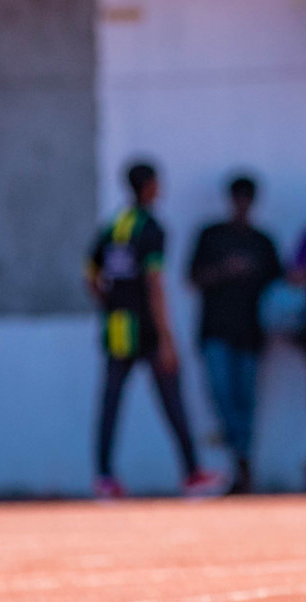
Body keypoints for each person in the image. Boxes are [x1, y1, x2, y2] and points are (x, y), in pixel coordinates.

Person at [87, 163, 218, 499]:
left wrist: (112, 303)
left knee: (111, 404)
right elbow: (154, 284)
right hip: (146, 326)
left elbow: (91, 275)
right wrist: (167, 338)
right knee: (172, 399)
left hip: (118, 327)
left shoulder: (113, 226)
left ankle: (104, 478)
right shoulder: (152, 228)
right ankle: (191, 473)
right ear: (148, 187)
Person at [187, 175, 282, 495]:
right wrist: (225, 270)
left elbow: (279, 292)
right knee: (223, 400)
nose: (241, 205)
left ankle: (241, 466)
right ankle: (239, 462)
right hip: (215, 333)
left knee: (245, 404)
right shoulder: (212, 236)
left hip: (251, 336)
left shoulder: (263, 242)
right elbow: (193, 277)